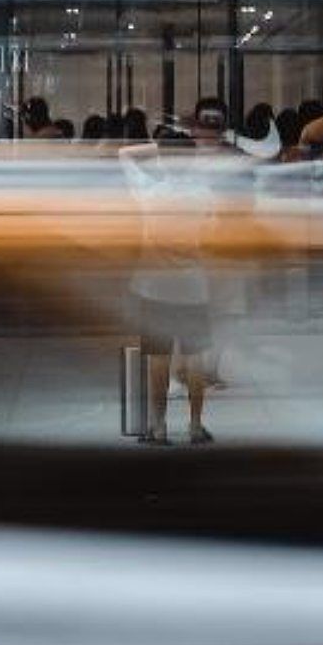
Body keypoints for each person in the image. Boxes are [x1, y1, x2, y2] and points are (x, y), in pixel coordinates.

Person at [120, 97, 241, 445]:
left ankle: (158, 427)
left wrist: (159, 147)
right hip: (193, 288)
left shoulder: (148, 192)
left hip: (153, 287)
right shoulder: (204, 195)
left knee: (157, 360)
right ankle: (194, 425)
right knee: (195, 359)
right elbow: (212, 234)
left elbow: (124, 156)